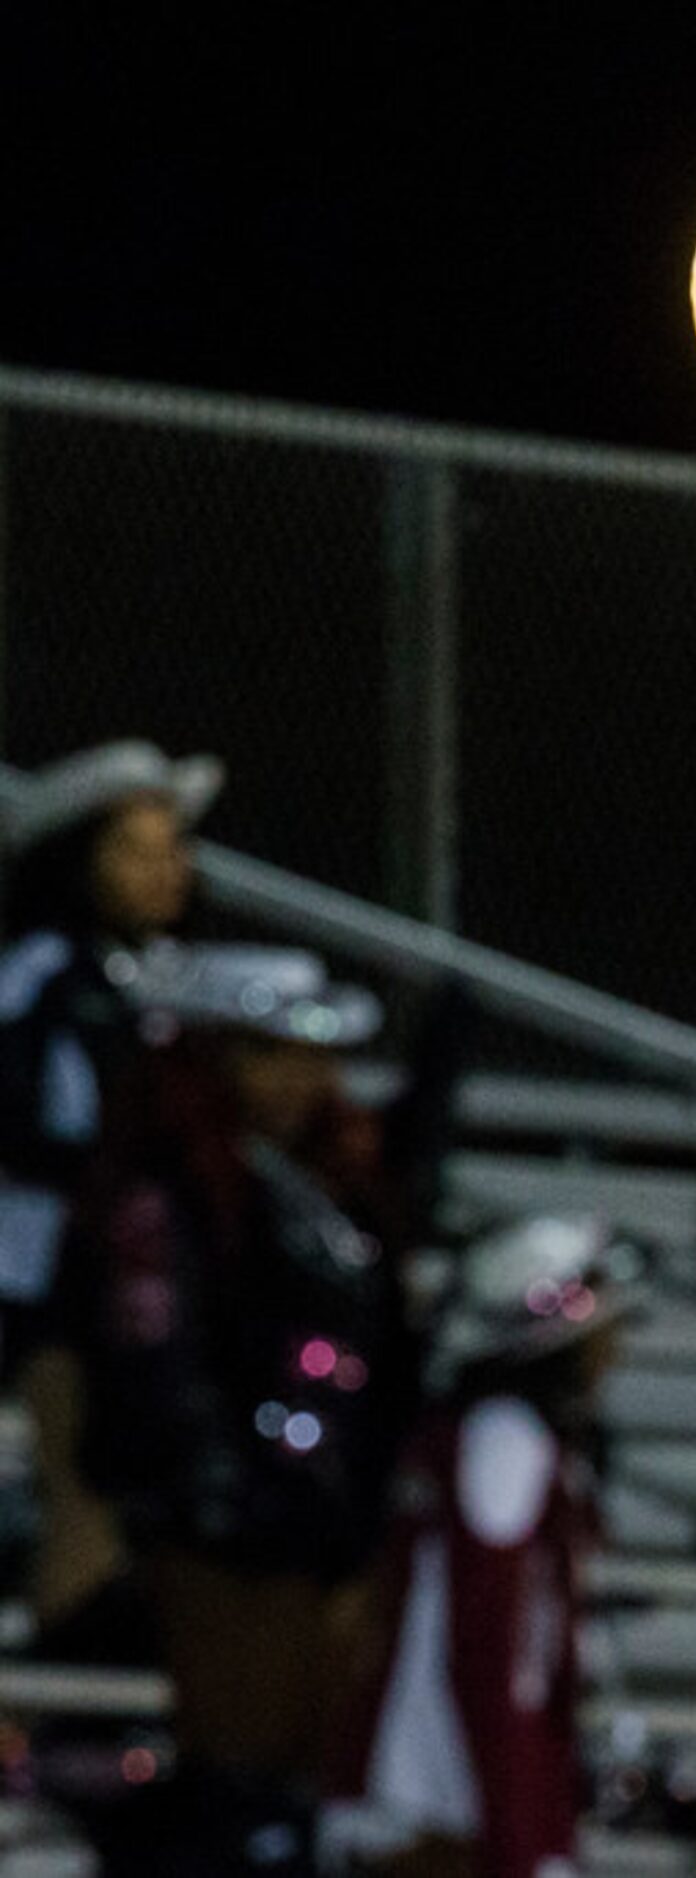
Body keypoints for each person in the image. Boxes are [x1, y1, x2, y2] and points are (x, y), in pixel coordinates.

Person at [75, 943, 419, 1874]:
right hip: (231, 1532)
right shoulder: (170, 1191)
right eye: (269, 1054)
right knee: (240, 1776)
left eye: (309, 1056)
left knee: (309, 1778)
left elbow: (373, 1347)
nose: (300, 1078)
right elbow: (159, 1355)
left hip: (323, 1513)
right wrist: (226, 1487)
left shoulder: (321, 1185)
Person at [327, 1214, 643, 1878]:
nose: (612, 1350)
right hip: (439, 1788)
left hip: (440, 1782)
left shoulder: (497, 1435)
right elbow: (494, 1639)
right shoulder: (506, 1439)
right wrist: (519, 1826)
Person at [0, 739, 217, 1657]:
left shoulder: (163, 986)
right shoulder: (40, 971)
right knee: (75, 1475)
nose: (167, 871)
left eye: (174, 848)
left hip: (121, 1284)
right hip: (40, 1279)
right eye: (135, 849)